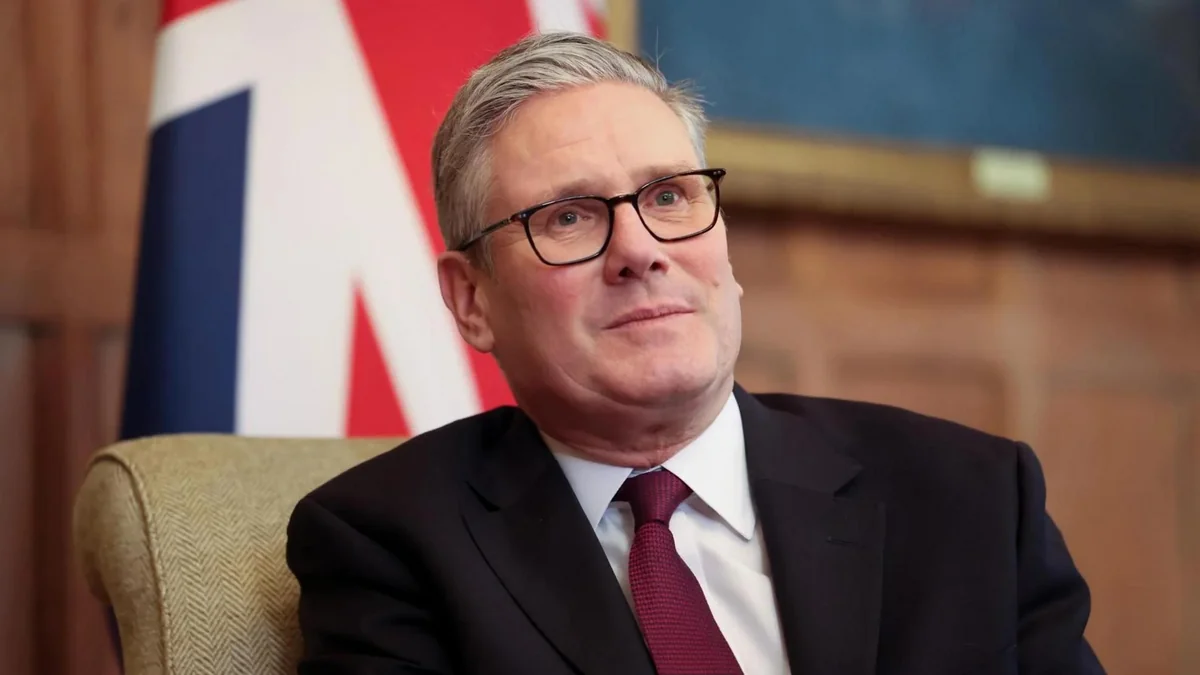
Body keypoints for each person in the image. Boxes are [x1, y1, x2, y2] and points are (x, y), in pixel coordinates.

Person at [286, 32, 1105, 675]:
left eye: (670, 196)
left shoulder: (971, 497)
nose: (640, 250)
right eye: (568, 216)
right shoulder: (390, 541)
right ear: (472, 299)